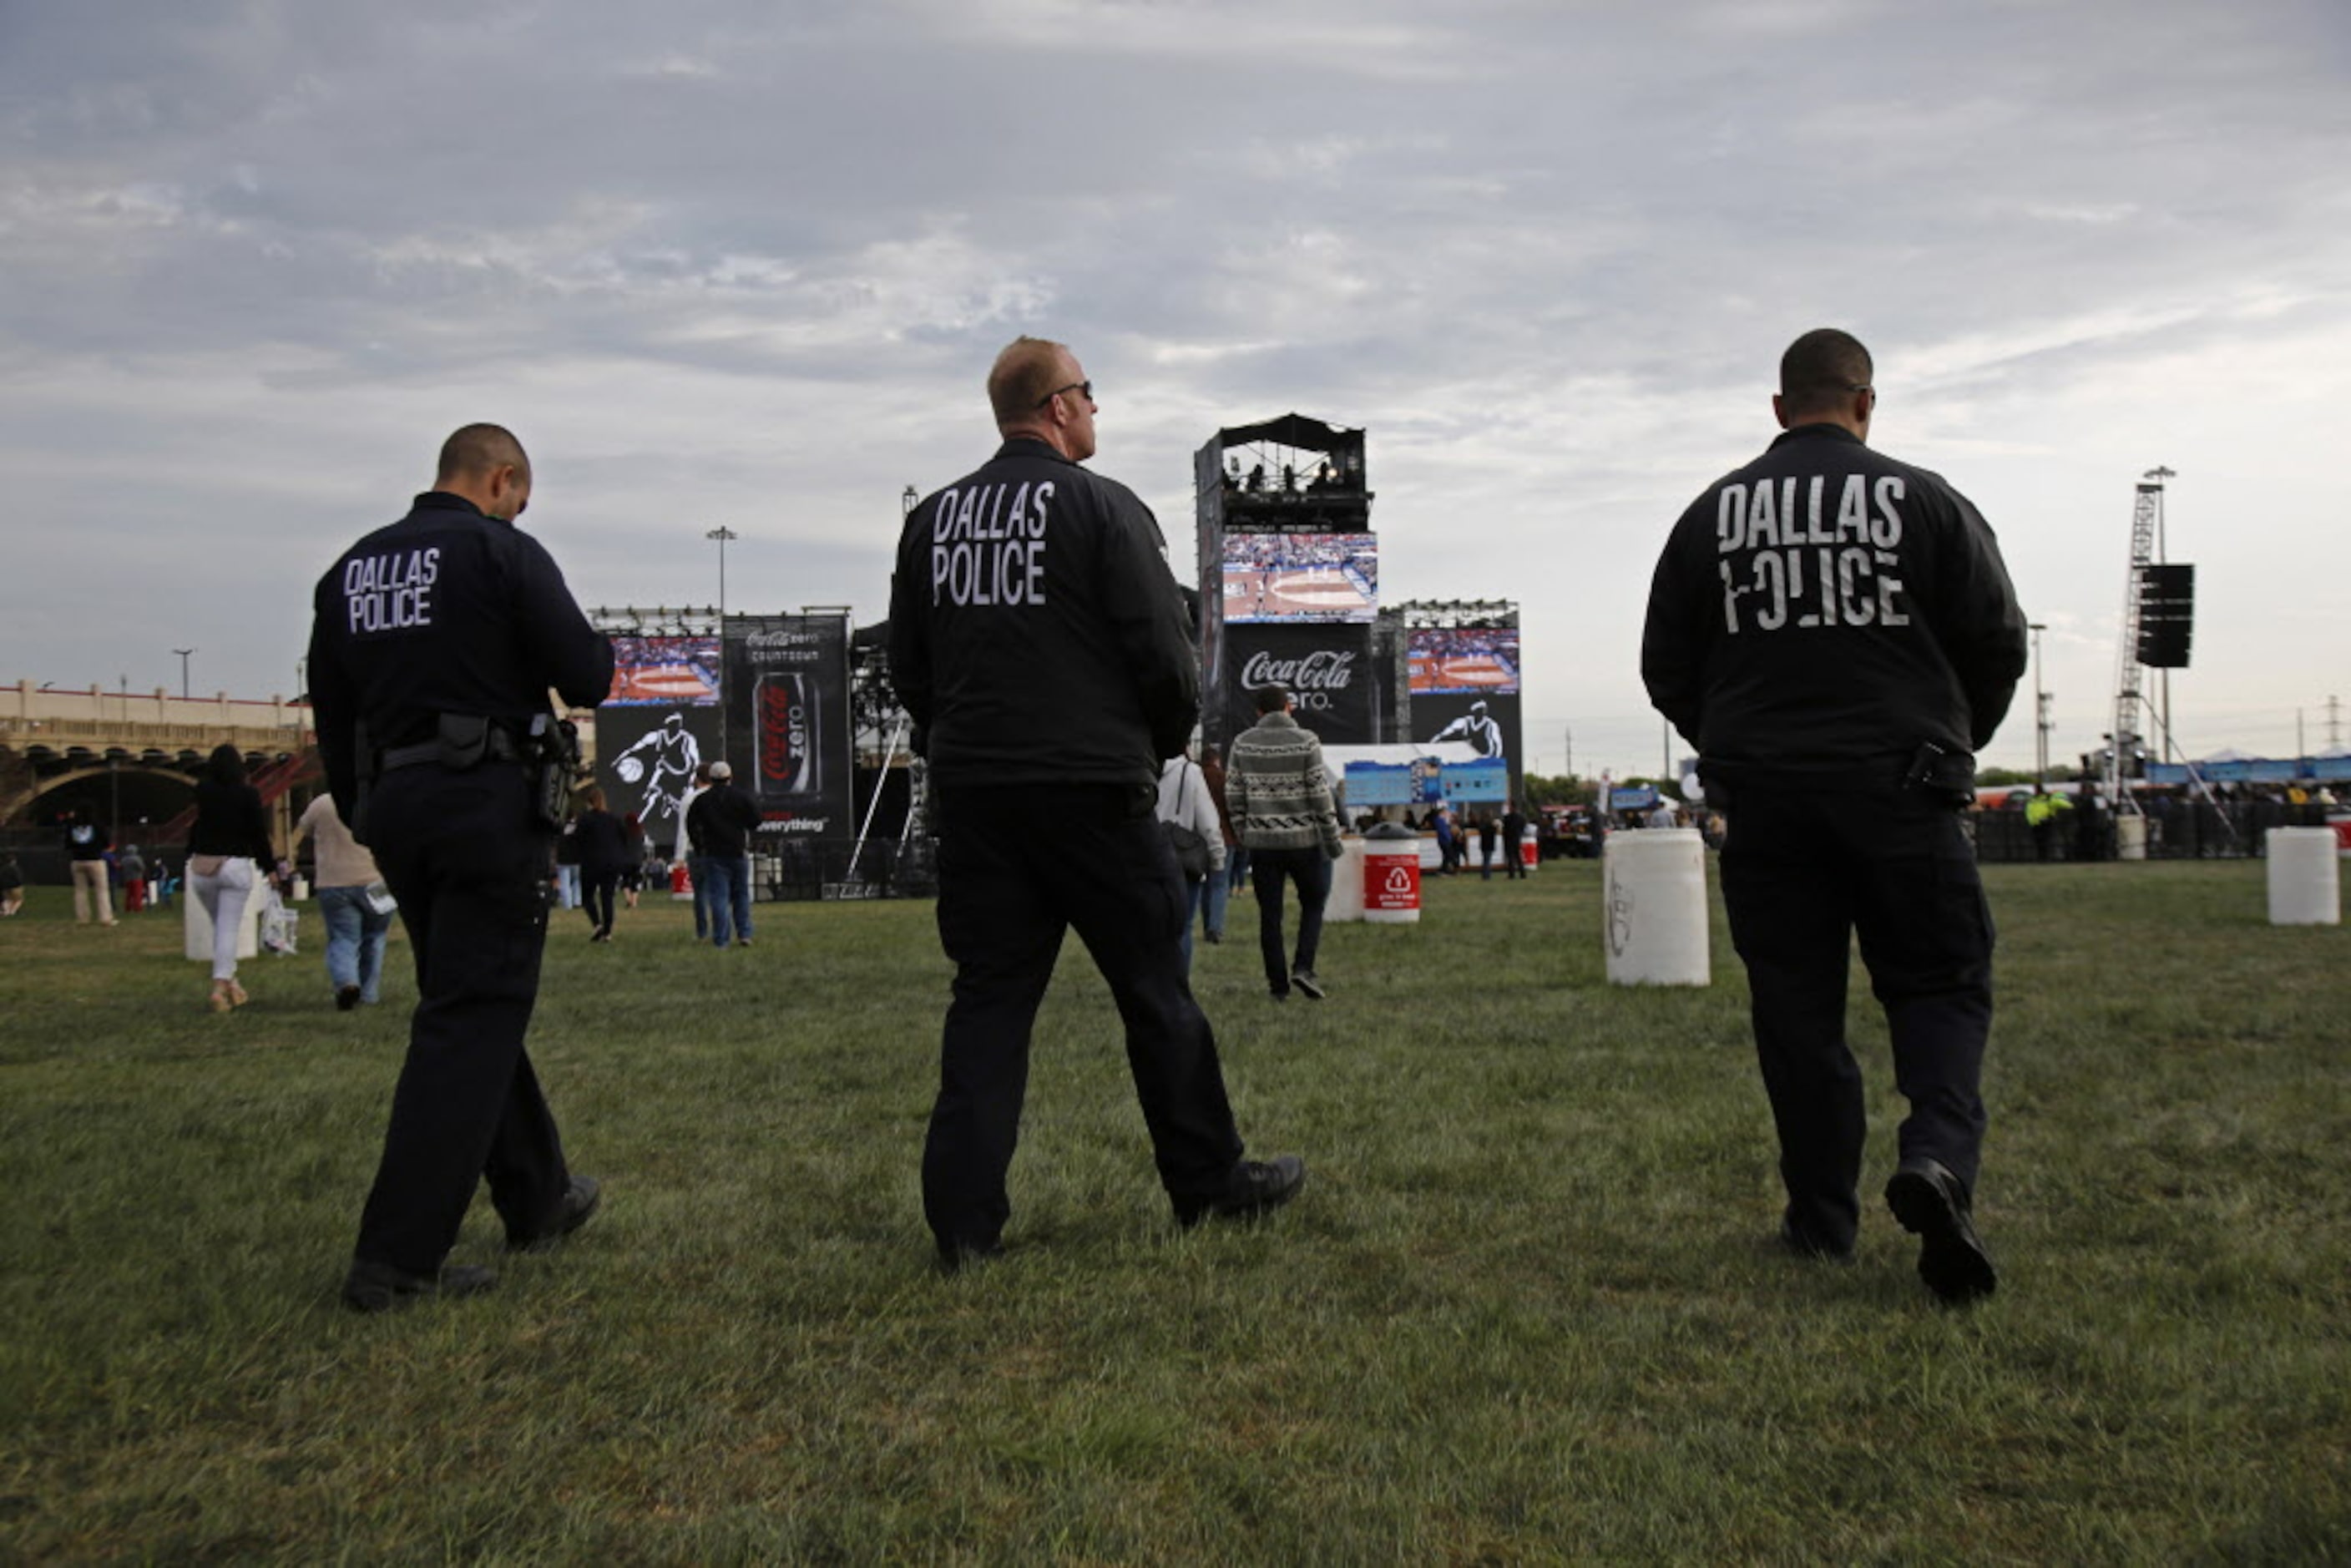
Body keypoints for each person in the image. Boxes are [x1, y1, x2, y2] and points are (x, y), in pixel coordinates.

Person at [888, 335, 1305, 1269]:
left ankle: (961, 1230)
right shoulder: (1102, 507)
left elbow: (909, 667)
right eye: (1091, 394)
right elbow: (1165, 652)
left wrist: (961, 743)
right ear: (1060, 405)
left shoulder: (932, 523)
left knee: (988, 1004)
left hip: (982, 801)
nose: (1096, 411)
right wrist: (1153, 746)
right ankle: (1207, 1185)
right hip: (1092, 794)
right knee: (1157, 996)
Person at [1641, 328, 2027, 1304]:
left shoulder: (1707, 516)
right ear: (1864, 403)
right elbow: (1995, 641)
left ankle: (1820, 1221)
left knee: (1795, 1011)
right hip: (1902, 786)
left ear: (1778, 408)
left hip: (1766, 800)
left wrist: (1734, 744)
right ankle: (1935, 1159)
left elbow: (1665, 667)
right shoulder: (1927, 502)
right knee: (1938, 984)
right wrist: (1950, 739)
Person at [307, 422, 610, 1313]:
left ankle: (536, 1196)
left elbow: (333, 713)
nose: (520, 510)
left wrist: (367, 809)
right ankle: (395, 1260)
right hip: (486, 801)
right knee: (471, 1017)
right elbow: (585, 671)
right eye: (521, 496)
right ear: (501, 478)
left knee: (469, 999)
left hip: (396, 804)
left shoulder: (350, 571)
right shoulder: (499, 553)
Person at [1229, 685, 1344, 1001]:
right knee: (1313, 903)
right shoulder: (1307, 741)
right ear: (1289, 707)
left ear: (1259, 712)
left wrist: (1244, 833)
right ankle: (1303, 968)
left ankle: (1277, 987)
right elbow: (1321, 795)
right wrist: (1332, 840)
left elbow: (1234, 796)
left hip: (1263, 844)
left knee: (1270, 916)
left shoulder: (1242, 743)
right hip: (1304, 841)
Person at [188, 744, 276, 1013]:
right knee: (227, 930)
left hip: (203, 867)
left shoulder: (203, 791)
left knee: (220, 929)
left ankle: (232, 984)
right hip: (234, 866)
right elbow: (257, 833)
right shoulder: (248, 794)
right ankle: (219, 985)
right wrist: (269, 867)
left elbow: (198, 826)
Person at [296, 792, 395, 1009]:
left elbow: (305, 827)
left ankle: (347, 982)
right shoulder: (376, 799)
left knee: (343, 937)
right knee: (375, 937)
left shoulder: (322, 803)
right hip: (374, 880)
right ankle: (369, 993)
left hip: (333, 881)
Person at [1155, 746, 1225, 971]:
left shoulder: (1140, 767)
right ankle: (1177, 986)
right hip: (1182, 858)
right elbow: (1207, 820)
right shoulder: (1190, 771)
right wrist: (1217, 857)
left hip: (1146, 856)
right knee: (1182, 927)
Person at [684, 761, 761, 948]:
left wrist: (699, 846)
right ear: (730, 777)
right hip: (737, 852)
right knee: (741, 894)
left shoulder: (702, 800)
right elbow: (756, 819)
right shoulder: (740, 797)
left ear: (711, 778)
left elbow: (690, 824)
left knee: (719, 896)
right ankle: (744, 933)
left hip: (713, 853)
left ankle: (721, 939)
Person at [572, 786, 631, 943]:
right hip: (611, 863)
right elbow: (624, 838)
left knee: (587, 897)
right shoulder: (614, 819)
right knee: (607, 898)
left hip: (591, 862)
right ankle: (608, 933)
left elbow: (577, 839)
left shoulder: (585, 819)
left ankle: (597, 925)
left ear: (588, 802)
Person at [1198, 744, 1234, 945]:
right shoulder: (1223, 778)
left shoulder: (1197, 777)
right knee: (1220, 884)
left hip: (1200, 839)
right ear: (1217, 760)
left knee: (1205, 884)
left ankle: (1206, 927)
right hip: (1225, 837)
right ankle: (1216, 928)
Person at [63, 809, 114, 926]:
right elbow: (106, 843)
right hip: (95, 860)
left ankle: (82, 919)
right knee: (101, 890)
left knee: (80, 891)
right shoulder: (97, 826)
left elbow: (67, 845)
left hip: (77, 861)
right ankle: (105, 918)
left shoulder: (72, 827)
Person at [118, 842, 148, 913]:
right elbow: (142, 868)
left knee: (129, 894)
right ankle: (138, 908)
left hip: (127, 878)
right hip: (137, 878)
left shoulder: (124, 859)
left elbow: (121, 867)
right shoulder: (137, 859)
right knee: (137, 894)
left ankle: (128, 908)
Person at [1, 851, 23, 917]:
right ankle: (12, 911)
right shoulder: (15, 868)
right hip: (15, 886)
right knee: (18, 900)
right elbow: (18, 878)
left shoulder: (3, 868)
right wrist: (20, 884)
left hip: (4, 887)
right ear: (13, 861)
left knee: (7, 900)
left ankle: (6, 911)